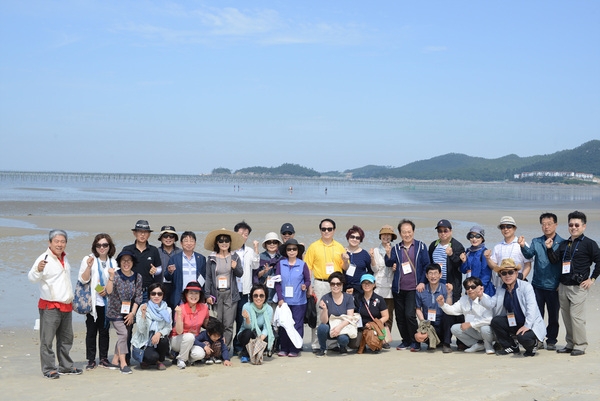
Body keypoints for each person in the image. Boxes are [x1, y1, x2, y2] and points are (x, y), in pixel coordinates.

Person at [28, 229, 82, 379]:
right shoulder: (43, 258)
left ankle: (65, 366)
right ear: (50, 242)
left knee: (66, 339)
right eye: (56, 241)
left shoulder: (64, 258)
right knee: (47, 340)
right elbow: (32, 277)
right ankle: (49, 369)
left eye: (63, 241)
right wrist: (38, 270)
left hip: (66, 305)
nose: (60, 244)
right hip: (50, 305)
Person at [546, 210, 600, 356]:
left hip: (579, 287)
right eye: (571, 225)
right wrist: (550, 248)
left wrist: (592, 279)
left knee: (577, 317)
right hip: (563, 286)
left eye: (577, 224)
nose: (573, 227)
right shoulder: (564, 244)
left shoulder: (589, 244)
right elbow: (554, 260)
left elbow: (599, 261)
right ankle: (570, 343)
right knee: (566, 316)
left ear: (584, 226)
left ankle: (581, 345)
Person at [481, 258, 546, 357]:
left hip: (530, 322)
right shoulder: (500, 289)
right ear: (500, 275)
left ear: (516, 273)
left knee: (523, 338)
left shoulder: (526, 287)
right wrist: (480, 295)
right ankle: (511, 347)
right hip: (514, 321)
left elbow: (531, 308)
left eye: (511, 272)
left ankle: (533, 345)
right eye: (504, 273)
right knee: (496, 321)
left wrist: (527, 325)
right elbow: (490, 304)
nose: (507, 276)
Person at [518, 212, 564, 350]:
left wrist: (560, 283)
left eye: (549, 224)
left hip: (554, 286)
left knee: (553, 316)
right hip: (537, 285)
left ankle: (551, 340)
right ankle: (538, 339)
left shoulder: (562, 243)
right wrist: (522, 246)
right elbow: (529, 254)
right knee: (536, 314)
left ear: (556, 225)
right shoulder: (536, 241)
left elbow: (564, 265)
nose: (546, 227)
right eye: (543, 224)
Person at [384, 219, 430, 352]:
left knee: (410, 314)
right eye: (404, 232)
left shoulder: (421, 246)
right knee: (400, 316)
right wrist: (388, 254)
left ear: (413, 232)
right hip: (398, 288)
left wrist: (422, 282)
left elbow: (426, 265)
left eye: (409, 232)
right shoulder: (396, 248)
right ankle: (406, 341)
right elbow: (389, 263)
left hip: (414, 288)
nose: (407, 234)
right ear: (399, 233)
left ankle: (416, 341)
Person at [304, 218, 350, 352]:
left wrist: (346, 260)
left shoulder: (339, 247)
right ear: (320, 230)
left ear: (334, 230)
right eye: (324, 229)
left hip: (336, 284)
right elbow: (308, 268)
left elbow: (345, 268)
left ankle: (331, 344)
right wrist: (309, 285)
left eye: (329, 229)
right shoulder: (313, 246)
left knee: (335, 314)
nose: (326, 231)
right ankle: (317, 345)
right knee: (320, 313)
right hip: (320, 283)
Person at [78, 233, 118, 370]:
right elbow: (83, 280)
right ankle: (90, 359)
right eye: (99, 245)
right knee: (91, 332)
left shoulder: (113, 262)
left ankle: (103, 358)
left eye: (105, 245)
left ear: (109, 246)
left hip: (107, 303)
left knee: (105, 331)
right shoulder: (88, 259)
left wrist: (106, 290)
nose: (102, 247)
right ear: (95, 246)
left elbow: (114, 283)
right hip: (93, 303)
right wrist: (89, 267)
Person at [428, 219, 466, 349]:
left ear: (450, 231)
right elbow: (429, 266)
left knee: (453, 313)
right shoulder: (433, 245)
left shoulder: (457, 245)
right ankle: (440, 340)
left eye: (445, 230)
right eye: (440, 231)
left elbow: (461, 266)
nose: (443, 233)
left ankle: (456, 342)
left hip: (451, 284)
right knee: (439, 312)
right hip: (436, 284)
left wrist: (451, 255)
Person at [204, 228, 244, 349]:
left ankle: (224, 349)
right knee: (216, 323)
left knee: (228, 324)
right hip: (216, 295)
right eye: (221, 241)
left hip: (230, 295)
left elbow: (240, 273)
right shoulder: (211, 258)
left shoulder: (235, 257)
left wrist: (235, 267)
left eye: (226, 240)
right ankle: (215, 348)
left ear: (230, 242)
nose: (224, 243)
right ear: (217, 243)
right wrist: (206, 295)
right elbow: (208, 278)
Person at [105, 250, 143, 374]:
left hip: (128, 311)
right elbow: (108, 292)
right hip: (115, 311)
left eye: (129, 260)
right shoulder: (115, 275)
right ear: (120, 262)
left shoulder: (138, 277)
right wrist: (111, 277)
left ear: (133, 262)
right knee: (123, 334)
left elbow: (138, 297)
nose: (126, 263)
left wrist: (132, 313)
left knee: (123, 334)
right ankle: (123, 363)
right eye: (123, 260)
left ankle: (115, 361)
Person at [438, 277, 495, 355]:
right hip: (474, 330)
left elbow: (489, 320)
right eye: (467, 287)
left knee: (485, 328)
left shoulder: (486, 299)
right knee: (455, 328)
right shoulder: (464, 299)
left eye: (473, 287)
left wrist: (471, 324)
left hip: (486, 330)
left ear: (480, 287)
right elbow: (452, 310)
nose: (470, 289)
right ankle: (478, 345)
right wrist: (442, 304)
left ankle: (489, 346)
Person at [275, 239, 311, 357]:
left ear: (297, 251)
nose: (291, 251)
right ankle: (284, 348)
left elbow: (308, 280)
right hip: (284, 300)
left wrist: (306, 286)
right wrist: (280, 298)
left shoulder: (302, 264)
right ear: (286, 251)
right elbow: (277, 282)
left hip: (299, 301)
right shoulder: (281, 264)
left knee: (297, 324)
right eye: (289, 249)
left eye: (294, 249)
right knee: (284, 324)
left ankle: (295, 348)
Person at [232, 221, 260, 354]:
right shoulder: (228, 250)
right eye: (240, 233)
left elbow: (255, 266)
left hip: (244, 291)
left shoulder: (249, 251)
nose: (243, 235)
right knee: (228, 320)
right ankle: (225, 346)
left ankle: (239, 346)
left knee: (242, 319)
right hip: (230, 291)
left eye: (246, 234)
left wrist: (255, 249)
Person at [131, 283, 172, 370]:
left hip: (158, 340)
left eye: (159, 294)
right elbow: (141, 330)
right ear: (149, 295)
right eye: (153, 293)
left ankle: (159, 361)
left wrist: (159, 333)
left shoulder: (167, 310)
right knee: (152, 356)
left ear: (163, 295)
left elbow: (168, 328)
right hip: (145, 341)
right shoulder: (143, 307)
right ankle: (149, 360)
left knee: (164, 341)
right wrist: (143, 315)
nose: (156, 296)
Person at [170, 281, 210, 369]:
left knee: (200, 354)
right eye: (191, 293)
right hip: (178, 339)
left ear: (200, 295)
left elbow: (207, 325)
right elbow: (179, 331)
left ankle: (184, 357)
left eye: (196, 293)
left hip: (195, 340)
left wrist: (219, 334)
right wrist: (179, 314)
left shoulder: (204, 308)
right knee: (189, 337)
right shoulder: (181, 308)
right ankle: (181, 359)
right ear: (186, 294)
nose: (194, 296)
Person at [315, 272, 356, 357]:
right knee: (322, 327)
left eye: (338, 284)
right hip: (330, 326)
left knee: (343, 339)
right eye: (333, 284)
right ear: (330, 285)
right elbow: (324, 320)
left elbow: (350, 317)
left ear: (342, 285)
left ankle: (342, 347)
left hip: (343, 325)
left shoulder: (348, 298)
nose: (335, 286)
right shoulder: (325, 298)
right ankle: (322, 348)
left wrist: (339, 328)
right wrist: (325, 309)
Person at [415, 264, 453, 353]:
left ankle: (446, 344)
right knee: (419, 334)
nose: (433, 276)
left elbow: (449, 307)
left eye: (436, 273)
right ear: (426, 276)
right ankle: (432, 343)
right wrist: (423, 321)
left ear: (440, 275)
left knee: (449, 316)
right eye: (430, 273)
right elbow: (418, 308)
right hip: (429, 323)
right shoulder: (421, 290)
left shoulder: (445, 288)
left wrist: (449, 294)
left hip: (442, 323)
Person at [121, 220, 162, 302]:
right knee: (129, 314)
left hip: (147, 291)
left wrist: (156, 270)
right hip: (129, 290)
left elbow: (159, 268)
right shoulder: (127, 249)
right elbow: (119, 268)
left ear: (149, 234)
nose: (142, 234)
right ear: (134, 233)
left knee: (145, 314)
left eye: (145, 232)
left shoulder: (153, 250)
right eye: (140, 232)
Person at [164, 231, 206, 309]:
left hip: (196, 295)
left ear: (195, 243)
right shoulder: (174, 259)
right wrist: (170, 271)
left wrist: (205, 295)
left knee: (196, 320)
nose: (189, 243)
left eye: (191, 241)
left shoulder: (201, 258)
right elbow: (167, 277)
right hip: (180, 296)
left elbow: (205, 278)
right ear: (181, 243)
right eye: (186, 241)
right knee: (179, 319)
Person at [370, 225, 396, 348]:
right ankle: (376, 336)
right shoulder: (374, 251)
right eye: (384, 235)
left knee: (389, 315)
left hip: (390, 287)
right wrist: (371, 258)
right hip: (378, 286)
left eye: (388, 235)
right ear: (380, 237)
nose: (386, 237)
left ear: (392, 237)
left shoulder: (395, 250)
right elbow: (374, 269)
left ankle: (386, 339)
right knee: (377, 314)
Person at [485, 216, 532, 283]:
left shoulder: (522, 244)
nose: (505, 229)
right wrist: (488, 258)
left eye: (509, 226)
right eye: (502, 227)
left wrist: (522, 277)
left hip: (519, 280)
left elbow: (528, 264)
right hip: (502, 281)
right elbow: (494, 267)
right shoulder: (497, 246)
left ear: (514, 228)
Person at [237, 284, 275, 363]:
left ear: (265, 297)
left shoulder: (269, 309)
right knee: (248, 333)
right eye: (255, 296)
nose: (258, 298)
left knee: (268, 337)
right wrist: (247, 318)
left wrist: (260, 340)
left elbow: (266, 327)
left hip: (260, 333)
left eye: (261, 296)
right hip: (246, 332)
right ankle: (245, 354)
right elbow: (248, 326)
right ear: (252, 297)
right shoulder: (247, 306)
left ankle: (256, 352)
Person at [356, 274, 389, 353]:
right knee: (354, 344)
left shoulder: (379, 299)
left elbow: (386, 316)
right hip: (361, 327)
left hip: (375, 327)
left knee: (374, 344)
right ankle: (363, 343)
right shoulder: (356, 298)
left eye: (369, 283)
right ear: (361, 284)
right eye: (364, 283)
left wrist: (373, 324)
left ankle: (376, 343)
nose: (367, 285)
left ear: (374, 284)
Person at [460, 226, 495, 296]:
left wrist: (478, 290)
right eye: (471, 236)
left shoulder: (484, 252)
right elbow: (463, 271)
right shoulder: (468, 251)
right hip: (470, 289)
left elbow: (486, 276)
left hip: (483, 291)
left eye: (477, 236)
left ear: (482, 238)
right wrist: (463, 261)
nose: (474, 239)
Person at [343, 225, 373, 300]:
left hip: (360, 288)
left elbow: (370, 271)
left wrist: (365, 284)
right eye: (352, 237)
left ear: (360, 240)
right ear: (348, 237)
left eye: (357, 238)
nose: (354, 239)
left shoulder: (364, 254)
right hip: (343, 287)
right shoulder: (342, 251)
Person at [156, 225, 181, 310]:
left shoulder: (180, 252)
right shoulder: (156, 252)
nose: (168, 238)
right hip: (161, 286)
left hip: (176, 287)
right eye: (165, 236)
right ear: (161, 238)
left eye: (171, 236)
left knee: (176, 311)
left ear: (175, 238)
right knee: (161, 311)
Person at [256, 232, 283, 305]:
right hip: (264, 291)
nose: (272, 244)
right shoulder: (260, 257)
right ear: (265, 244)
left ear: (278, 244)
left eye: (274, 242)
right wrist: (264, 271)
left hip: (277, 292)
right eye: (269, 242)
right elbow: (256, 276)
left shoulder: (282, 258)